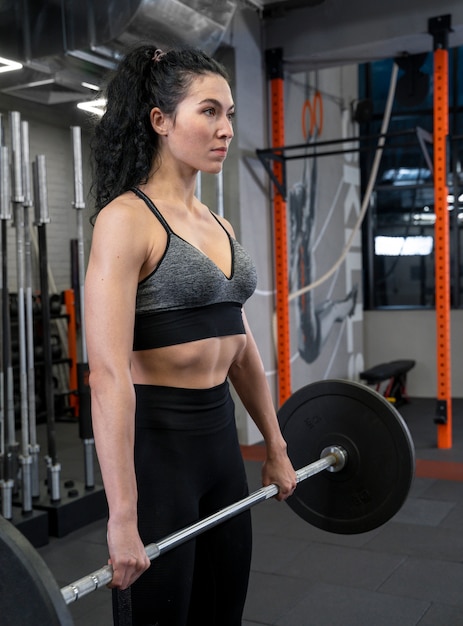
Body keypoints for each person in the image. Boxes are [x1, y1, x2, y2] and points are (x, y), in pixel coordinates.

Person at [84, 43, 297, 626]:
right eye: (208, 111)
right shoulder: (125, 219)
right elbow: (106, 374)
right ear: (160, 120)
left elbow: (242, 349)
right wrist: (122, 515)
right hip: (159, 451)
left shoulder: (219, 225)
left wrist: (275, 448)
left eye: (229, 113)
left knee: (221, 610)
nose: (225, 128)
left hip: (218, 444)